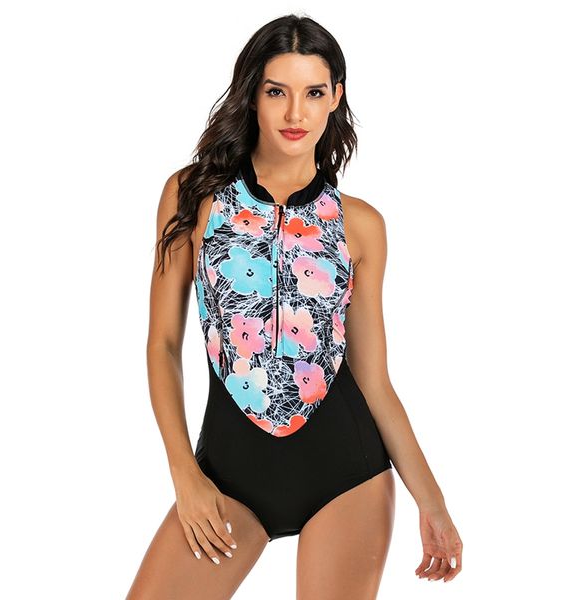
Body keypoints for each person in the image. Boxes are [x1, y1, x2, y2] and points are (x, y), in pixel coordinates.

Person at [126, 13, 463, 599]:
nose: (294, 114)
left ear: (336, 97)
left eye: (313, 93)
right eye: (277, 91)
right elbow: (163, 343)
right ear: (252, 94)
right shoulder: (193, 196)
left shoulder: (360, 225)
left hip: (347, 476)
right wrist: (183, 472)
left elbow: (375, 380)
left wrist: (432, 503)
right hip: (227, 475)